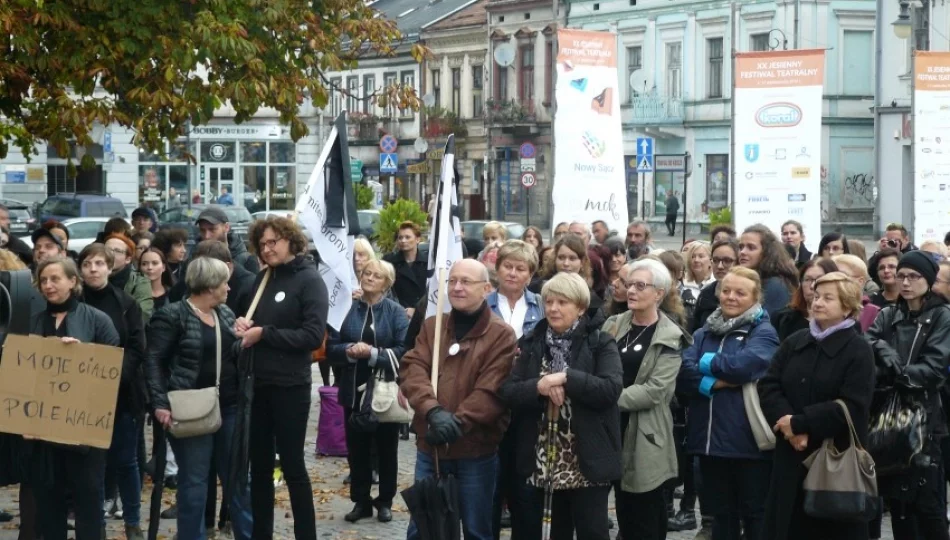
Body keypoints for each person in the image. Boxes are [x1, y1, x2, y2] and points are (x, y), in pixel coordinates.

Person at [400, 259, 518, 540]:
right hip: (431, 448)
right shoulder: (432, 327)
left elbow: (492, 389)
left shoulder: (501, 335)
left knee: (476, 529)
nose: (457, 287)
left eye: (466, 282)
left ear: (487, 288)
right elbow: (413, 369)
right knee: (423, 528)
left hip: (475, 450)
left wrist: (456, 422)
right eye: (452, 281)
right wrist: (432, 411)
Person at [499, 272, 622, 540]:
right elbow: (508, 391)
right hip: (544, 458)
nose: (553, 308)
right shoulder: (532, 342)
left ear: (580, 307)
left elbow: (610, 389)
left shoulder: (600, 342)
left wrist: (566, 377)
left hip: (587, 457)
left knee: (592, 531)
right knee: (554, 533)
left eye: (562, 302)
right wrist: (539, 386)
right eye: (549, 302)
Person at [758, 272, 875, 540]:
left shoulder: (858, 349)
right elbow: (768, 385)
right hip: (790, 455)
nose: (818, 302)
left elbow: (853, 405)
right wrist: (788, 425)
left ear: (847, 306)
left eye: (828, 298)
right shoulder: (796, 340)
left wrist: (801, 424)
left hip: (835, 461)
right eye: (817, 296)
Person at [145, 257, 253, 540]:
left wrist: (243, 339)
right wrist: (159, 402)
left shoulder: (225, 313)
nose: (229, 288)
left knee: (237, 479)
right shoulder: (172, 316)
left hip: (228, 406)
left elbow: (234, 355)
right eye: (223, 282)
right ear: (208, 286)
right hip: (190, 409)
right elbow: (153, 360)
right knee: (194, 483)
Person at [235, 216, 327, 540]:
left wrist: (265, 334)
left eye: (273, 242)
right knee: (259, 468)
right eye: (262, 244)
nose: (267, 248)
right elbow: (251, 324)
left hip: (290, 387)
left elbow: (313, 336)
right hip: (258, 385)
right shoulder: (263, 280)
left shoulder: (309, 280)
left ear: (290, 241)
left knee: (292, 466)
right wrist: (244, 327)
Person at [678, 267, 781, 540]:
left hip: (748, 444)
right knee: (721, 517)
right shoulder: (702, 333)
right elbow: (683, 375)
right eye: (725, 291)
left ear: (755, 297)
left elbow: (743, 366)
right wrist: (712, 383)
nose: (731, 297)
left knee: (755, 514)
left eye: (740, 293)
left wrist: (705, 363)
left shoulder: (763, 332)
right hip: (709, 444)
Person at [29, 256, 120, 540]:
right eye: (43, 280)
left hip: (85, 430)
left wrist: (82, 354)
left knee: (88, 500)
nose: (48, 285)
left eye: (55, 279)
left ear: (72, 282)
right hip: (44, 431)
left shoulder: (96, 320)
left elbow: (113, 370)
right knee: (48, 500)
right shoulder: (35, 323)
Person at [602, 259, 691, 540]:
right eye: (629, 284)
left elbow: (655, 391)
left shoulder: (670, 336)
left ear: (659, 294)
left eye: (641, 286)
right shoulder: (613, 325)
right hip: (607, 429)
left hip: (645, 433)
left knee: (645, 516)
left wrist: (603, 396)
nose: (631, 291)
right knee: (620, 513)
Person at [866, 251, 950, 540]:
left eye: (913, 276)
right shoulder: (890, 313)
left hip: (926, 418)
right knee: (899, 502)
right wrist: (882, 350)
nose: (905, 282)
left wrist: (898, 373)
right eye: (901, 276)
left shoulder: (942, 316)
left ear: (928, 280)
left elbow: (934, 368)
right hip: (889, 417)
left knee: (927, 502)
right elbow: (868, 340)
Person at [327, 259, 407, 524]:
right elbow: (332, 347)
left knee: (386, 448)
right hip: (354, 386)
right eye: (366, 273)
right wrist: (350, 352)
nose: (369, 278)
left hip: (384, 388)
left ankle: (385, 500)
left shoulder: (395, 312)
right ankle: (360, 501)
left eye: (376, 275)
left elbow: (404, 350)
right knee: (357, 448)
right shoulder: (347, 308)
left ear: (387, 283)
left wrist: (373, 353)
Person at [77, 244, 147, 540]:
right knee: (92, 465)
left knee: (126, 461)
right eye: (88, 264)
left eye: (99, 263)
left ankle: (132, 521)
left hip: (121, 395)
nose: (93, 269)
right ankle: (96, 525)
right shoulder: (73, 301)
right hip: (81, 397)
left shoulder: (125, 303)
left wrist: (115, 376)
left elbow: (136, 347)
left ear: (110, 267)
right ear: (80, 270)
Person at [487, 240, 544, 538]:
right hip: (492, 399)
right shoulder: (483, 305)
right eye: (507, 266)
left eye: (520, 268)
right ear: (497, 270)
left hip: (528, 403)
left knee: (525, 489)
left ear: (530, 273)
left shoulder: (542, 304)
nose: (512, 273)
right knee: (491, 487)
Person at [536, 234, 606, 328]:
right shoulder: (537, 288)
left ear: (582, 262)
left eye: (572, 258)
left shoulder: (592, 301)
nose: (566, 263)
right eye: (561, 257)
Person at [738, 224, 798, 318]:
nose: (742, 252)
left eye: (751, 247)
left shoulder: (775, 285)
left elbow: (764, 322)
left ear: (767, 252)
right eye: (741, 247)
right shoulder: (749, 280)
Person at [771, 258, 839, 340]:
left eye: (820, 280)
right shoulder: (782, 319)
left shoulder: (844, 324)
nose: (812, 286)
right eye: (807, 280)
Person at [195, 206, 260, 274]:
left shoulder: (246, 260)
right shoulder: (194, 257)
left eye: (212, 229)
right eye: (202, 230)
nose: (207, 236)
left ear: (226, 227)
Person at [692, 239, 739, 332]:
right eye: (716, 260)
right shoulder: (706, 293)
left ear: (738, 262)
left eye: (727, 260)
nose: (720, 266)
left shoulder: (747, 295)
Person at [383, 221, 427, 318]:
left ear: (417, 239)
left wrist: (417, 310)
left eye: (407, 237)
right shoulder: (388, 261)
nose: (403, 240)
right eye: (400, 237)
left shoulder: (428, 263)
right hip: (395, 314)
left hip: (421, 315)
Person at [105, 234, 153, 323]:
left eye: (117, 251)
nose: (110, 255)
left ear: (128, 259)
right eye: (106, 250)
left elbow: (142, 315)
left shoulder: (139, 282)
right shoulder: (91, 278)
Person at [832, 254, 881, 332]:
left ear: (860, 281)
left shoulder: (873, 313)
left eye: (842, 275)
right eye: (832, 275)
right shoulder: (825, 307)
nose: (835, 280)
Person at [682, 241, 714, 324]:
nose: (696, 260)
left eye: (701, 256)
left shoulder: (716, 284)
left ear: (711, 260)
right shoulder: (683, 283)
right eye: (693, 256)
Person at [139, 247, 175, 311]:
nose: (149, 267)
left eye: (155, 263)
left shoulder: (174, 294)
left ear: (163, 267)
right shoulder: (132, 294)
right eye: (144, 264)